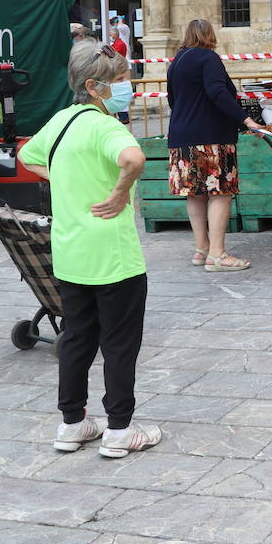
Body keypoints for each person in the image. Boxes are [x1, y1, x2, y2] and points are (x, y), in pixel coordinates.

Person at [19, 40, 161, 458]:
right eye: (120, 80)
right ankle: (119, 428)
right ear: (96, 86)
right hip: (113, 255)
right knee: (119, 341)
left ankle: (72, 423)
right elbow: (134, 159)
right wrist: (120, 193)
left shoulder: (61, 121)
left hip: (71, 251)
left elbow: (26, 156)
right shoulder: (107, 127)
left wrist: (60, 179)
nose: (128, 86)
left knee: (78, 338)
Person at [167, 19, 261, 272]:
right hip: (211, 137)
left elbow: (172, 100)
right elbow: (218, 92)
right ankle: (218, 255)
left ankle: (202, 249)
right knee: (220, 193)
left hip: (181, 137)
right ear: (209, 35)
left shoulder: (176, 62)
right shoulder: (208, 59)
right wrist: (247, 120)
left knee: (195, 194)